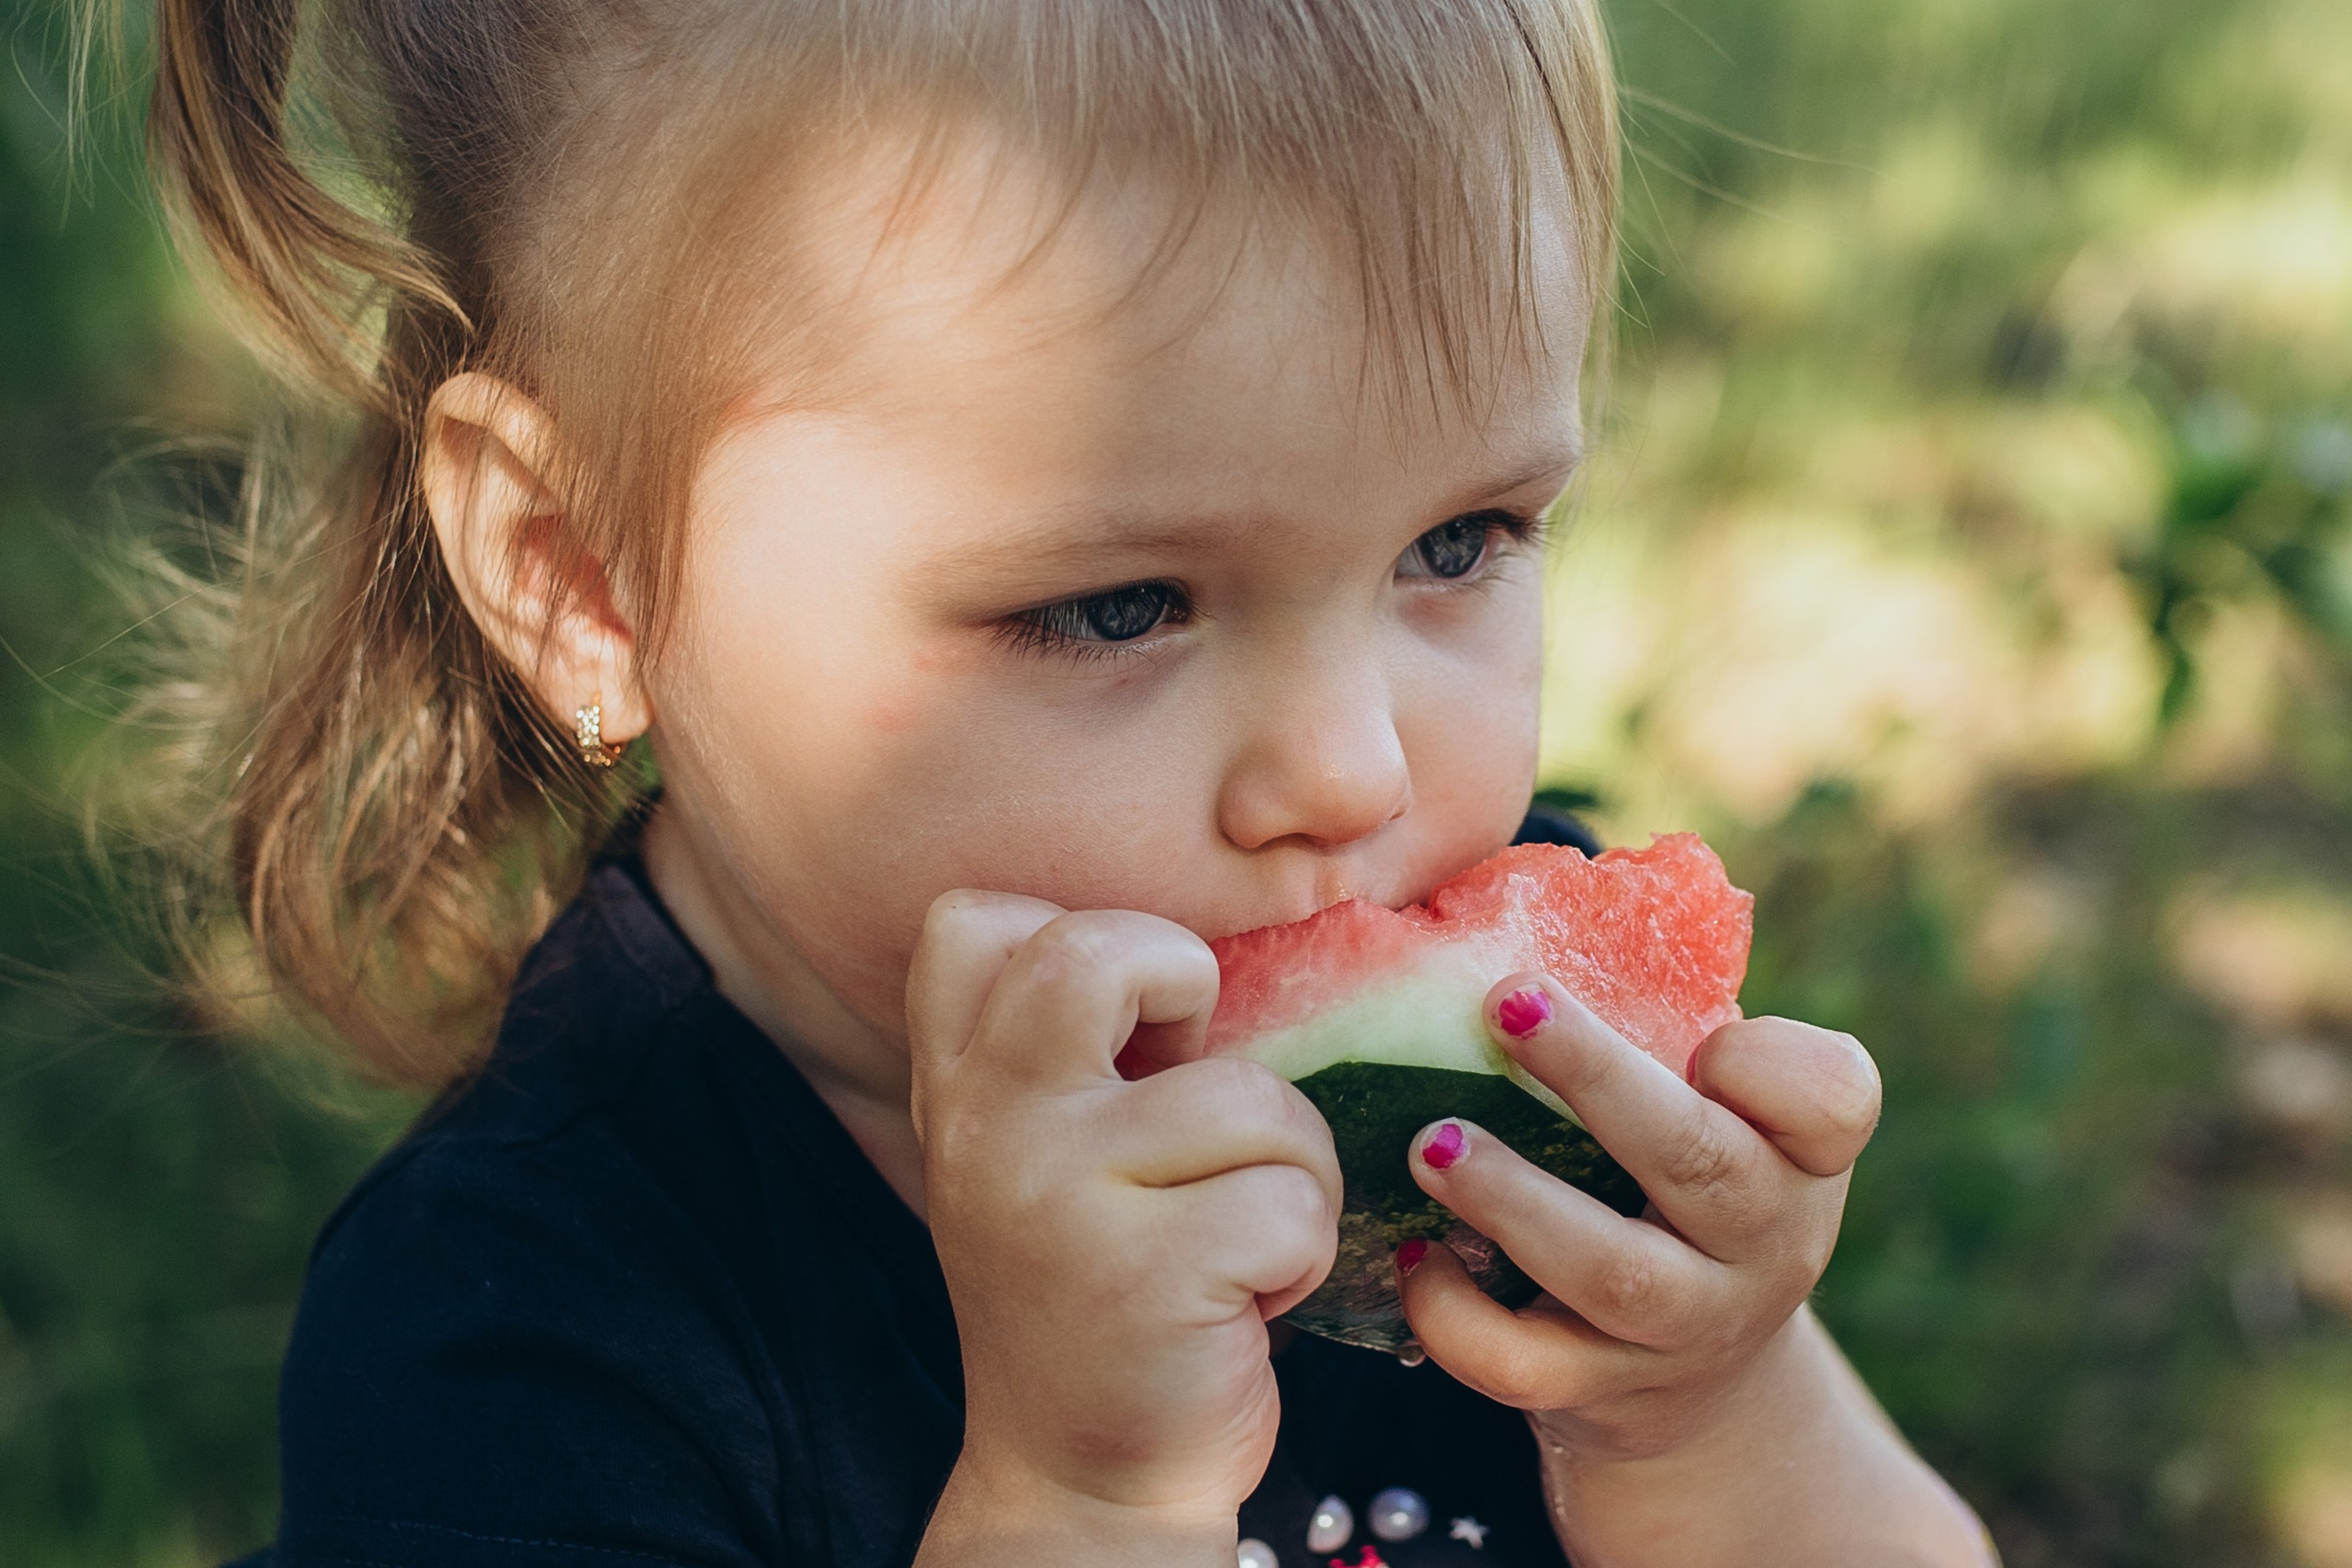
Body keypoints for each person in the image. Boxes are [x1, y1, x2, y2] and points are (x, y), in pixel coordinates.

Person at [116, 0, 1996, 1562]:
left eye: (1459, 542)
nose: (1350, 774)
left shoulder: (1515, 1064)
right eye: (1117, 606)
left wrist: (1700, 1407)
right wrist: (1082, 1499)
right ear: (579, 576)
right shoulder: (522, 1335)